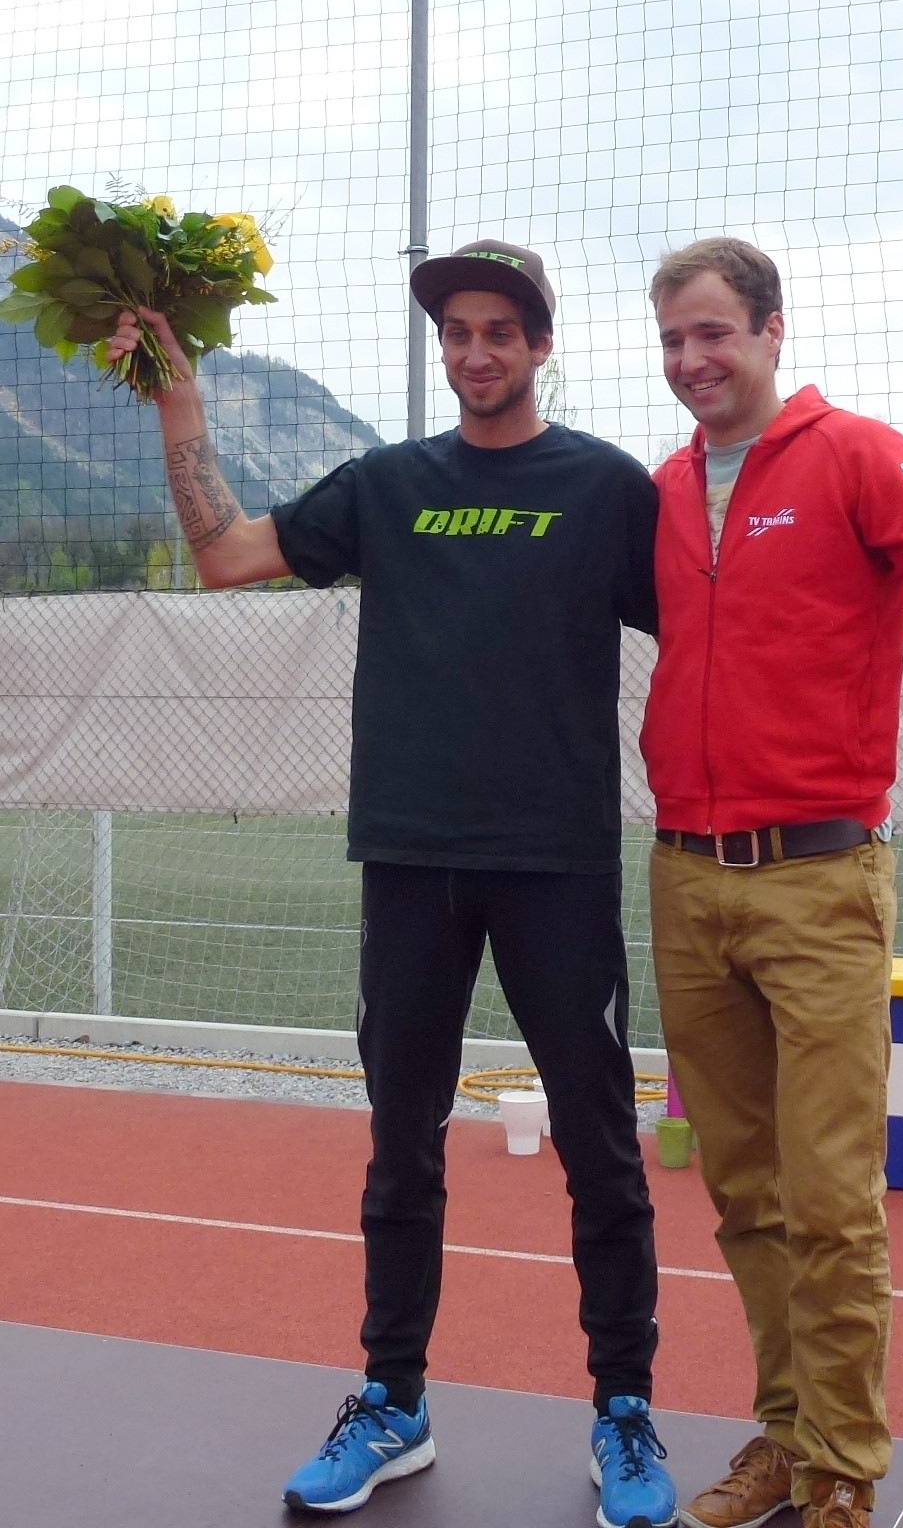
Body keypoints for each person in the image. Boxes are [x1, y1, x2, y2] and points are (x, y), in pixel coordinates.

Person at [106, 240, 677, 1528]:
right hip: (412, 865)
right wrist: (180, 408)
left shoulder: (603, 488)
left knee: (600, 1147)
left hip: (557, 869)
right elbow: (225, 556)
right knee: (399, 1149)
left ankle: (624, 1413)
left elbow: (704, 628)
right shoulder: (386, 485)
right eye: (457, 333)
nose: (475, 352)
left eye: (499, 332)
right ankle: (393, 1402)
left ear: (540, 347)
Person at [638, 237, 903, 1528]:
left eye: (712, 334)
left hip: (819, 885)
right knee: (744, 1197)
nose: (692, 361)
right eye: (671, 341)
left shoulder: (855, 456)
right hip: (683, 883)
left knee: (828, 1200)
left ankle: (842, 1475)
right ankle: (782, 1433)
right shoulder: (655, 491)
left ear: (769, 332)